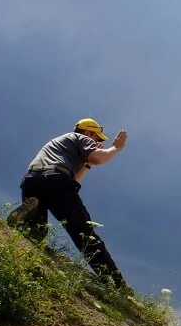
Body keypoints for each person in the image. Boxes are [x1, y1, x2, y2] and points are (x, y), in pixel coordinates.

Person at [7, 117, 130, 290]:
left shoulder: (59, 143)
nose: (96, 142)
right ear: (88, 132)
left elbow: (75, 181)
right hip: (56, 180)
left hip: (31, 180)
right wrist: (116, 148)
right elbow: (98, 159)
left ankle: (26, 220)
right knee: (83, 231)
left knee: (36, 232)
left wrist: (86, 165)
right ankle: (116, 283)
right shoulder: (82, 138)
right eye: (96, 138)